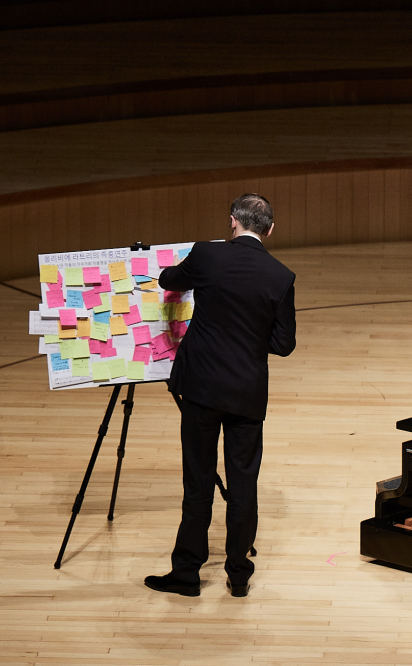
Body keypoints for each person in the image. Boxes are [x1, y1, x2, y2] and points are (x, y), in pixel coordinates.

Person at [145, 193, 297, 598]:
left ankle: (187, 574)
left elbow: (168, 281)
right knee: (243, 483)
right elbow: (284, 345)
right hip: (246, 391)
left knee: (198, 482)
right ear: (270, 230)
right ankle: (238, 573)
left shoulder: (207, 256)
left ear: (233, 222)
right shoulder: (280, 276)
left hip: (200, 386)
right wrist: (248, 336)